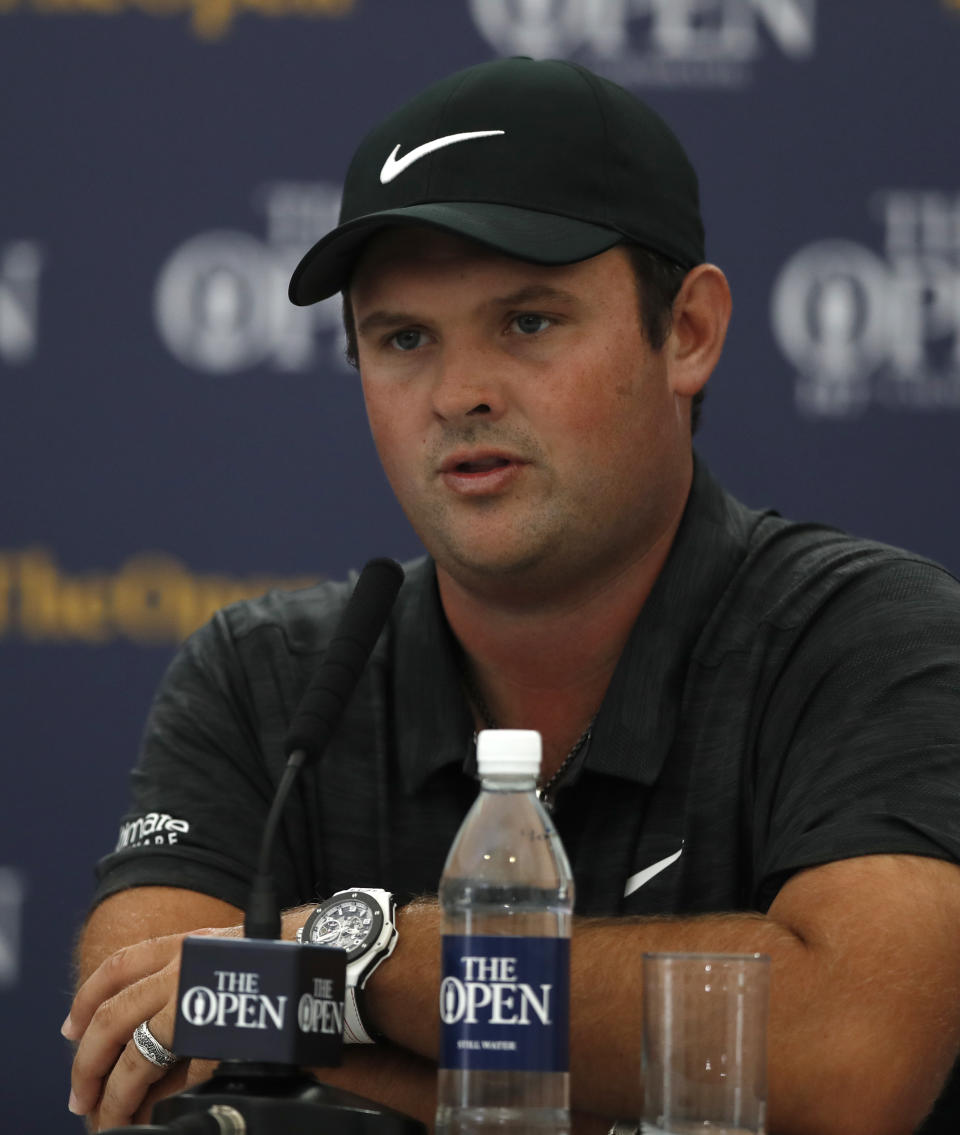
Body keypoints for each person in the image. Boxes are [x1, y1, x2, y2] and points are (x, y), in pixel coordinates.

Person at [63, 57, 960, 1135]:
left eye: (529, 322)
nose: (459, 392)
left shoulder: (871, 637)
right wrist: (614, 1061)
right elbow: (148, 1050)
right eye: (404, 338)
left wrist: (363, 957)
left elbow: (846, 1060)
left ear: (687, 332)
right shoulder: (263, 678)